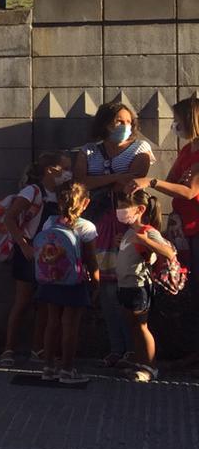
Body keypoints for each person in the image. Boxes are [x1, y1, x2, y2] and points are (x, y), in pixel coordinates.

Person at [74, 100, 153, 367]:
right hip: (96, 226)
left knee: (128, 285)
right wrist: (114, 178)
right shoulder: (87, 150)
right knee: (105, 287)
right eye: (118, 121)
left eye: (128, 121)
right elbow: (81, 181)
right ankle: (116, 348)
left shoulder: (141, 148)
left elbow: (136, 178)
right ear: (105, 123)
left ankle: (134, 350)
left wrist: (105, 180)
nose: (124, 125)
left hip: (126, 224)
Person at [136, 95, 199, 369]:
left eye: (178, 119)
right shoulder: (188, 151)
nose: (174, 124)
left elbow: (189, 190)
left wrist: (151, 181)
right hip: (187, 230)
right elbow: (173, 181)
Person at [0, 151, 70, 367]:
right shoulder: (32, 191)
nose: (68, 173)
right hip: (29, 252)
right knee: (23, 301)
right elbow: (10, 218)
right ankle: (8, 348)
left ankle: (38, 348)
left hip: (50, 254)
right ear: (51, 170)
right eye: (64, 168)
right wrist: (24, 246)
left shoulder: (59, 194)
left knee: (46, 304)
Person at [32, 180, 99, 386]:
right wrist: (96, 285)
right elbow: (91, 260)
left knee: (52, 323)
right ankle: (67, 370)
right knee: (70, 325)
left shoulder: (50, 222)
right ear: (85, 203)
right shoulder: (86, 227)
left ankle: (48, 367)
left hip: (51, 279)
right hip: (74, 283)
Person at [112, 187, 175, 382]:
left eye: (124, 206)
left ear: (139, 209)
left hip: (140, 287)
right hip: (125, 286)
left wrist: (146, 241)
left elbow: (169, 252)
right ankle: (139, 361)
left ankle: (150, 366)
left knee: (142, 326)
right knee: (132, 325)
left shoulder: (148, 231)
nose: (120, 210)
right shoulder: (130, 231)